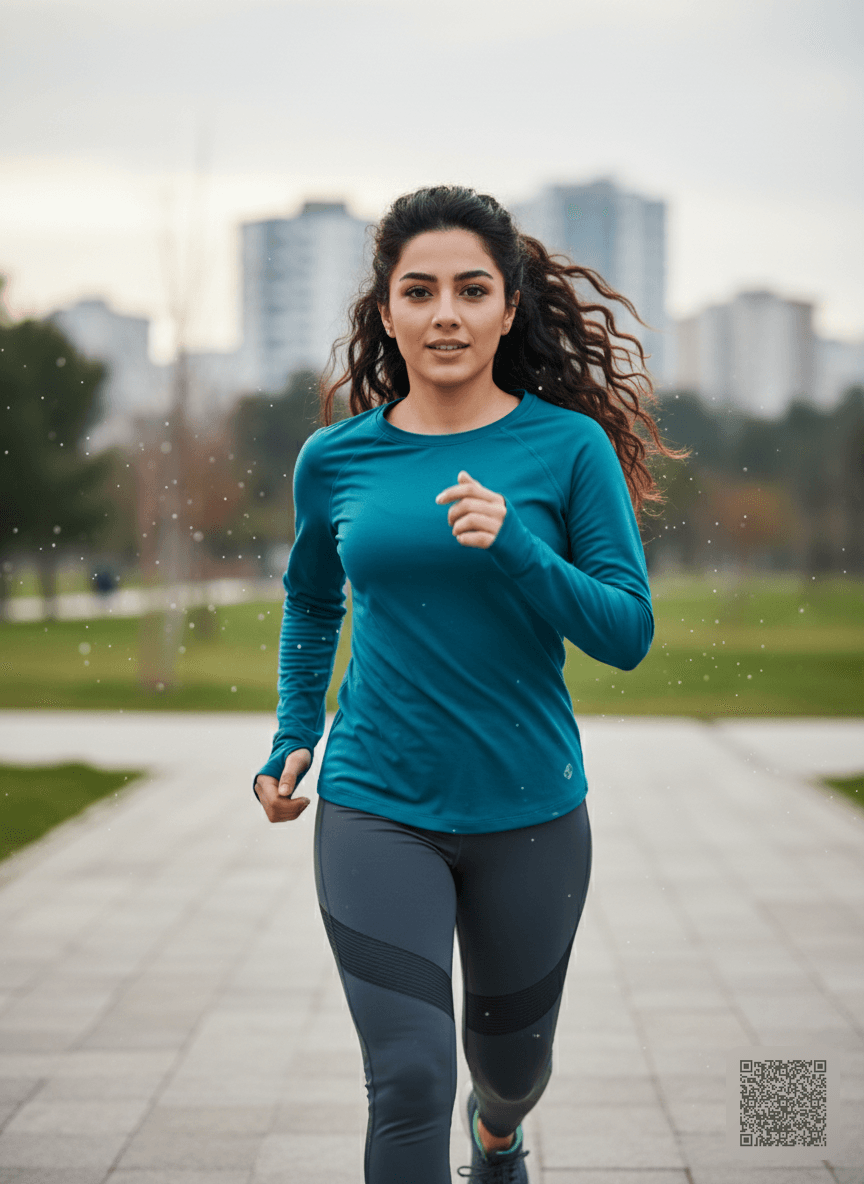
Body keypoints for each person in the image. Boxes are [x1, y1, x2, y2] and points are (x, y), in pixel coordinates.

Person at [253, 185, 681, 1183]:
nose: (445, 312)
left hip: (529, 809)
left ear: (509, 306)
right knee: (405, 1080)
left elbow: (627, 631)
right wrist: (290, 732)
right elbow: (313, 600)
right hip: (375, 803)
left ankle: (502, 1135)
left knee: (509, 1070)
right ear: (387, 308)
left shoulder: (568, 449)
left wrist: (518, 546)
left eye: (471, 289)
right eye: (420, 289)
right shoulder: (335, 459)